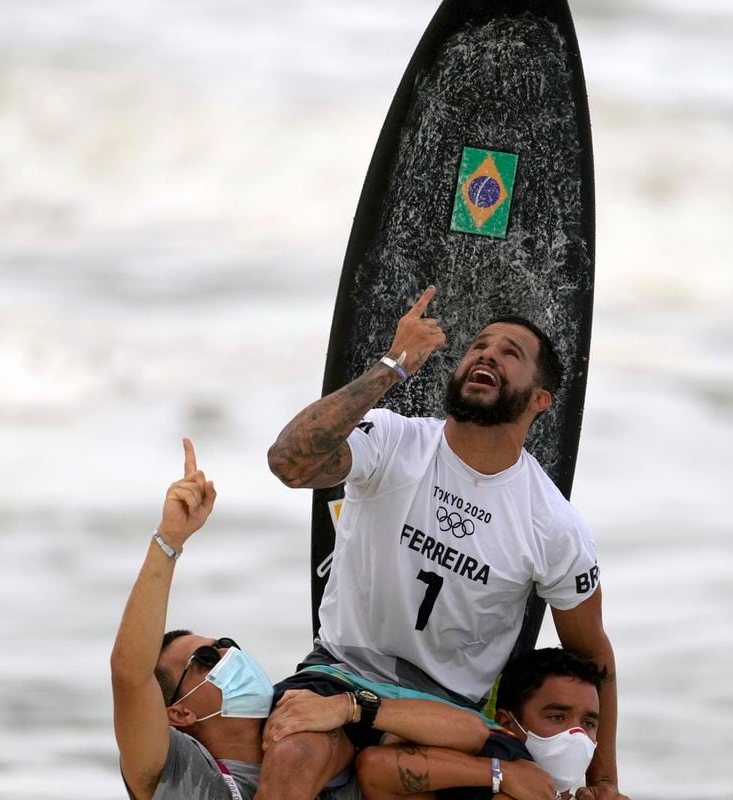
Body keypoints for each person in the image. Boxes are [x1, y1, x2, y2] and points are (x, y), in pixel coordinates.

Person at [263, 287, 625, 800]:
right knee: (292, 756)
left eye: (509, 352)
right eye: (479, 345)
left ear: (540, 400)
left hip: (450, 712)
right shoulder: (392, 440)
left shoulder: (554, 524)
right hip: (342, 674)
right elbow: (289, 462)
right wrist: (393, 364)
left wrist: (604, 780)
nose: (487, 354)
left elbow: (591, 653)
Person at [111, 436, 522, 800]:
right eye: (206, 659)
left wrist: (351, 708)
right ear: (179, 713)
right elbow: (130, 673)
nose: (227, 655)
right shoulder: (183, 775)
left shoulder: (309, 712)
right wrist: (170, 540)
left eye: (226, 645)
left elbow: (470, 730)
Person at [356, 648, 606, 800]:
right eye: (557, 717)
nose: (577, 735)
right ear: (507, 724)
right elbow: (376, 767)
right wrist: (501, 774)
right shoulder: (475, 789)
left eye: (589, 723)